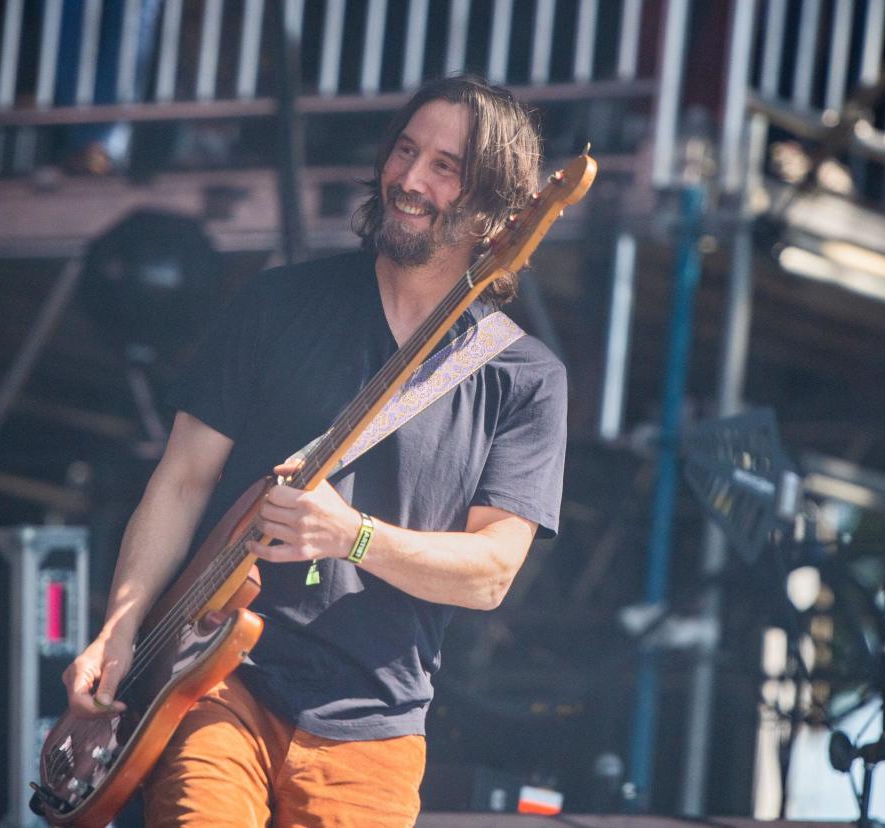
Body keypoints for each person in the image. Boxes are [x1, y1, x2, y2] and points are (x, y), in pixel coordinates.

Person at [62, 74, 568, 827]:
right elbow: (179, 482)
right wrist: (117, 629)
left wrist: (352, 536)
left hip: (376, 723)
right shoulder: (279, 304)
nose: (409, 179)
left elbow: (491, 573)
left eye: (444, 166)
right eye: (404, 151)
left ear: (495, 210)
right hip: (217, 681)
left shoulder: (525, 377)